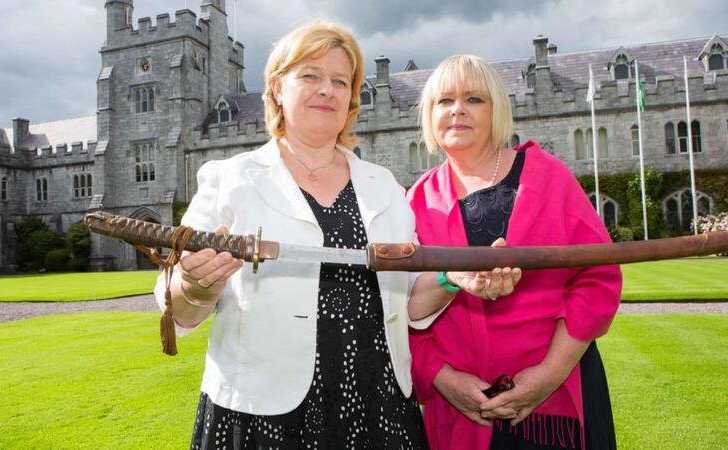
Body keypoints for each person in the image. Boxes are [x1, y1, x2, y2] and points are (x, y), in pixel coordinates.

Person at [154, 24, 519, 449]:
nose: (327, 90)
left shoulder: (383, 186)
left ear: (351, 97)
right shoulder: (229, 179)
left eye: (340, 81)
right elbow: (175, 307)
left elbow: (409, 302)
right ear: (276, 86)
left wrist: (449, 279)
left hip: (379, 409)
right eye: (310, 75)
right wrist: (196, 285)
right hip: (263, 416)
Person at [407, 55, 623, 450]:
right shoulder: (417, 201)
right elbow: (400, 310)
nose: (457, 109)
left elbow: (598, 279)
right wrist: (447, 381)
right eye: (444, 101)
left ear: (497, 110)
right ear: (429, 114)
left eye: (474, 99)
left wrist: (549, 373)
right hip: (462, 410)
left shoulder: (548, 177)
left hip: (553, 407)